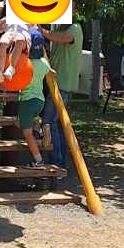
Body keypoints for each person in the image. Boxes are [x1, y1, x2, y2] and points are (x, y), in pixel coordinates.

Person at [41, 15, 83, 171]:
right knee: (58, 124)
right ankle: (59, 161)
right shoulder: (60, 28)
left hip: (62, 84)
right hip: (57, 82)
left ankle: (57, 162)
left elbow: (62, 38)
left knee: (49, 121)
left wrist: (39, 29)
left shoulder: (75, 28)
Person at [17, 33, 52, 172]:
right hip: (40, 101)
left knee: (27, 134)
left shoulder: (25, 63)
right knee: (26, 121)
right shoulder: (44, 63)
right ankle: (41, 128)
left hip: (27, 101)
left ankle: (39, 161)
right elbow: (50, 69)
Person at [0, 15, 31, 83]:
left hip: (23, 36)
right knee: (2, 42)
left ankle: (11, 68)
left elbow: (32, 25)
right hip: (9, 33)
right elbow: (0, 29)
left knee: (19, 40)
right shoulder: (7, 17)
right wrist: (3, 22)